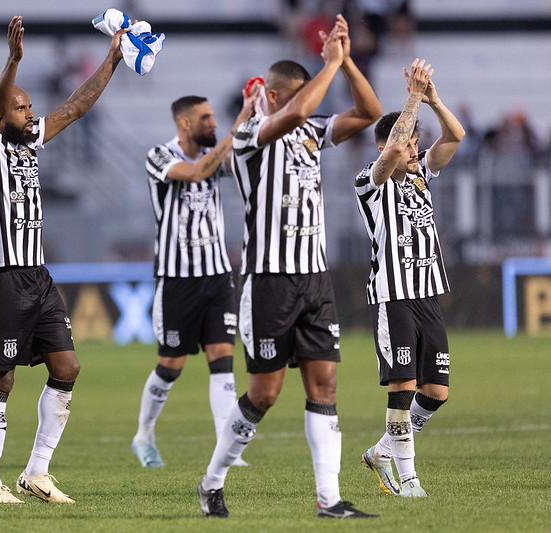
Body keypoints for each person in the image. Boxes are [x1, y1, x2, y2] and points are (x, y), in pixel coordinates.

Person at [196, 14, 382, 519]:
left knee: (325, 385)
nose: (313, 100)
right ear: (275, 96)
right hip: (269, 281)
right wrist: (329, 65)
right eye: (302, 93)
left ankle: (330, 500)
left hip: (314, 279)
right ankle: (212, 481)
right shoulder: (250, 135)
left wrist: (343, 66)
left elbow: (370, 111)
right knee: (265, 392)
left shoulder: (312, 132)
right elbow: (299, 113)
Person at [0, 16, 128, 505]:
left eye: (31, 105)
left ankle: (36, 472)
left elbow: (76, 106)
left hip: (36, 275)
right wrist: (13, 60)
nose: (30, 113)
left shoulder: (31, 141)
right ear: (0, 114)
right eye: (21, 107)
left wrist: (113, 59)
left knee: (68, 366)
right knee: (1, 376)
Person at [355, 59, 465, 497]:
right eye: (406, 143)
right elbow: (393, 153)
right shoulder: (370, 180)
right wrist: (413, 96)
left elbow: (455, 136)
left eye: (415, 143)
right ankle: (409, 480)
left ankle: (384, 448)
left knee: (436, 391)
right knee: (402, 385)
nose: (413, 149)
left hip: (428, 297)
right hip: (395, 297)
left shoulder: (420, 175)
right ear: (386, 148)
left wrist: (433, 99)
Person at [131, 92, 257, 468]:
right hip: (176, 279)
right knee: (170, 365)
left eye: (216, 118)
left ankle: (226, 448)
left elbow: (234, 162)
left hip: (217, 277)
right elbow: (197, 171)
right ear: (185, 123)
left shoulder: (214, 155)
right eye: (206, 118)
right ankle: (143, 435)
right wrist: (235, 130)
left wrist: (251, 118)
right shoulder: (159, 155)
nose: (214, 124)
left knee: (222, 360)